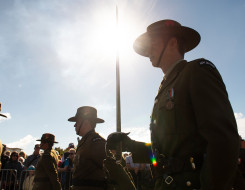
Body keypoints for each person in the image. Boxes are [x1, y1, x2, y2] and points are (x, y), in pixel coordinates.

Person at [107, 19, 240, 190]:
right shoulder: (165, 88)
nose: (148, 52)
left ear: (172, 42)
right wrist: (129, 145)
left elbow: (223, 140)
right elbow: (167, 154)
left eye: (152, 43)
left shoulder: (196, 71)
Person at [68, 106, 109, 190]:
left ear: (85, 122)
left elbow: (111, 170)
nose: (74, 125)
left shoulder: (96, 142)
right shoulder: (85, 141)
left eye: (77, 121)